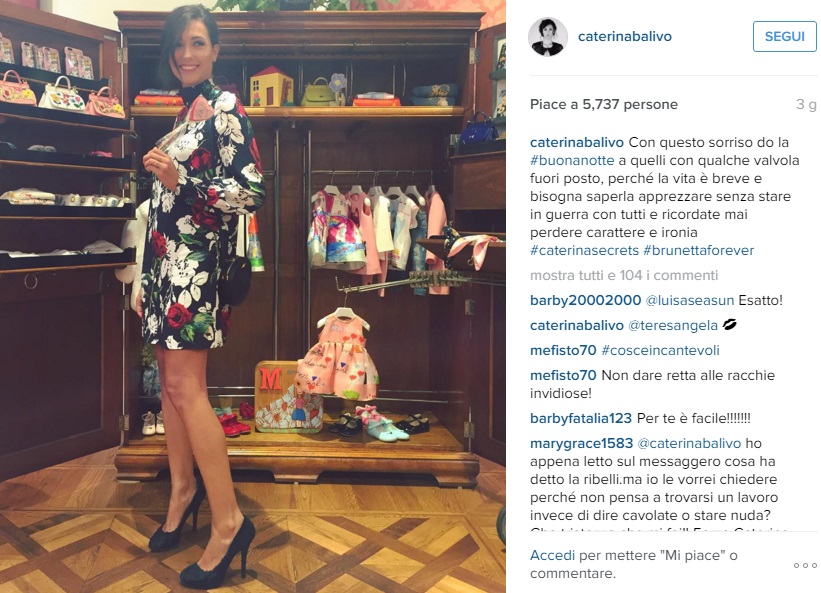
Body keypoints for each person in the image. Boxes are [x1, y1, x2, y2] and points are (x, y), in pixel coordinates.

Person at [136, 4, 265, 589]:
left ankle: (229, 522)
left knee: (189, 390)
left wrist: (179, 179)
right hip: (165, 270)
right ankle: (182, 492)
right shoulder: (185, 113)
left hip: (194, 273)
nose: (185, 54)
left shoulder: (228, 109)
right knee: (170, 386)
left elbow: (251, 193)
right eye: (178, 45)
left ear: (215, 50)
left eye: (196, 43)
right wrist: (145, 276)